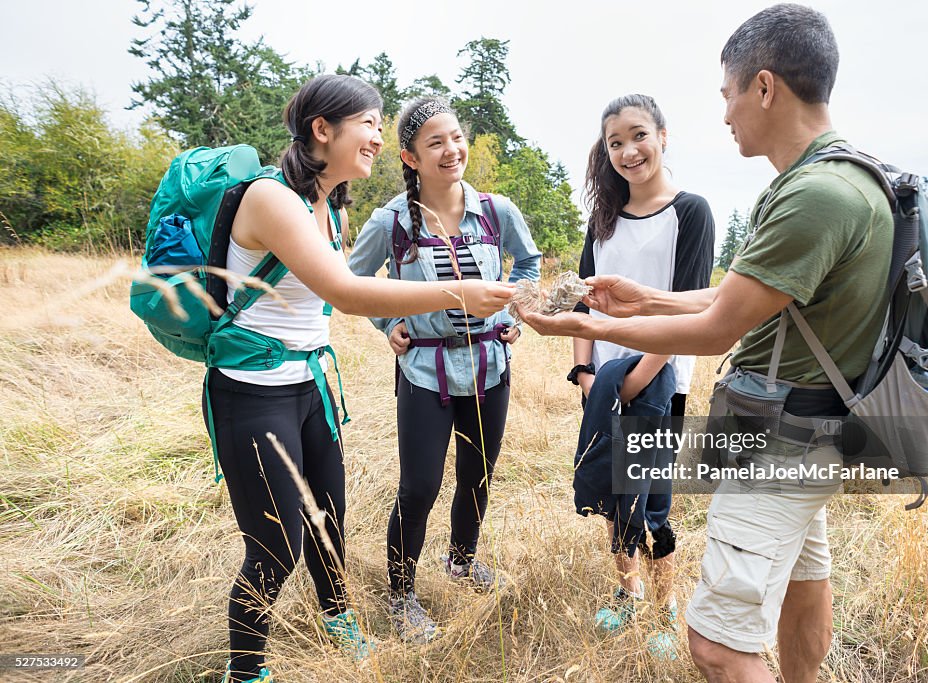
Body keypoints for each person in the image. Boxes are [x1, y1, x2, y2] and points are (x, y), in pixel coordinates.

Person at [520, 5, 893, 682]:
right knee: (805, 578)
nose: (724, 114)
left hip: (782, 435)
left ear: (764, 87)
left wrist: (591, 326)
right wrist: (645, 299)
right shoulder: (841, 176)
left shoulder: (814, 195)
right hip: (813, 426)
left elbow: (720, 327)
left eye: (727, 94)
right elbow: (739, 301)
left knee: (718, 645)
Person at [206, 75, 514, 683]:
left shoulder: (330, 205)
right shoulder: (271, 198)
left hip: (311, 385)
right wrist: (459, 293)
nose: (377, 136)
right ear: (323, 131)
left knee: (329, 518)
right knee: (276, 545)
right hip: (253, 391)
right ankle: (246, 671)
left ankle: (338, 616)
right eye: (368, 123)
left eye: (379, 124)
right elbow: (346, 291)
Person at [347, 96, 541, 644]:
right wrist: (389, 326)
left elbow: (527, 264)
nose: (451, 150)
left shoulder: (496, 212)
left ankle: (460, 561)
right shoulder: (390, 221)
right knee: (420, 486)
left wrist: (512, 314)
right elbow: (353, 284)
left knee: (476, 475)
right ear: (409, 157)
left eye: (455, 137)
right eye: (435, 142)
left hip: (489, 365)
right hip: (425, 371)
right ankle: (402, 593)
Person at [569, 94, 713, 658]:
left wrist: (638, 377)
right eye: (615, 143)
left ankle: (663, 606)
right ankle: (627, 590)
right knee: (612, 488)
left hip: (663, 380)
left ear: (663, 136)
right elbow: (584, 302)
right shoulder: (602, 218)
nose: (628, 151)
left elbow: (688, 309)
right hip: (603, 380)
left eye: (638, 136)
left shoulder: (691, 211)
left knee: (654, 496)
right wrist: (585, 370)